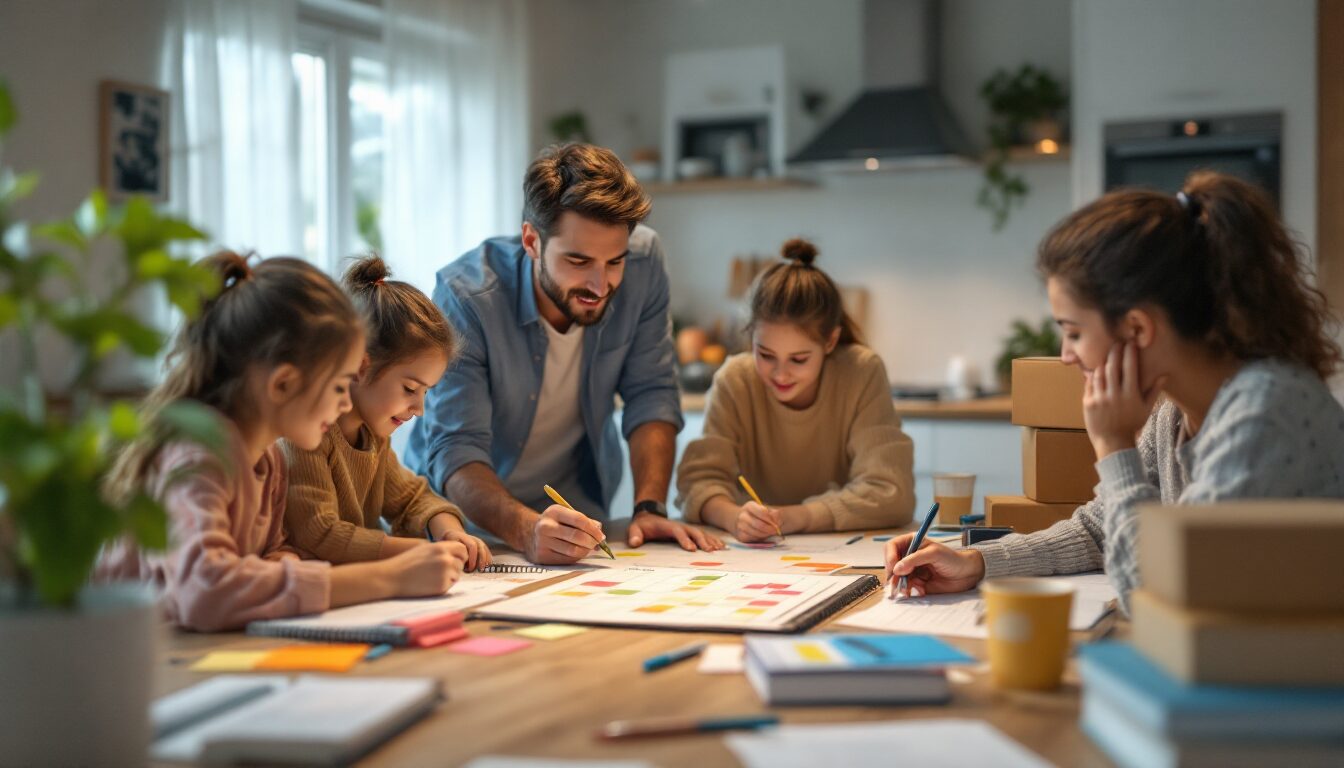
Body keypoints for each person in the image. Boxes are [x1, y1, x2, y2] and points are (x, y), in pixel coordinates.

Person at [884, 171, 1344, 611]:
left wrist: (1114, 447)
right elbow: (1102, 530)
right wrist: (978, 562)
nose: (1067, 354)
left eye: (1074, 332)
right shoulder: (1174, 411)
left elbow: (1157, 597)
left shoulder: (1262, 416)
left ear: (1137, 328)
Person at [100, 253, 466, 632]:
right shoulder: (197, 457)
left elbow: (274, 555)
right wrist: (389, 577)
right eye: (340, 385)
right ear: (283, 384)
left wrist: (281, 569)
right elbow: (204, 590)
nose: (345, 403)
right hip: (129, 662)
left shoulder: (268, 460)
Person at [403, 143, 723, 564]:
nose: (599, 284)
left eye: (614, 262)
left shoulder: (645, 263)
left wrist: (649, 508)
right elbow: (456, 449)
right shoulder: (467, 297)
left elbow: (651, 392)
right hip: (466, 530)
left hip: (576, 523)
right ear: (532, 240)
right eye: (578, 260)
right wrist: (525, 529)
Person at [676, 238, 916, 541]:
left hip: (842, 554)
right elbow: (697, 482)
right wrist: (734, 517)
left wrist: (796, 517)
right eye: (765, 355)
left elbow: (890, 491)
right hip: (753, 558)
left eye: (799, 359)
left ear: (830, 341)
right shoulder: (735, 379)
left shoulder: (861, 372)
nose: (781, 374)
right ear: (750, 338)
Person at [282, 256, 492, 571]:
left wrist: (450, 532)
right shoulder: (307, 435)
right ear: (360, 367)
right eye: (410, 389)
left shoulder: (373, 438)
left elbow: (414, 498)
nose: (419, 410)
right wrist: (414, 552)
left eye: (426, 392)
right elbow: (319, 533)